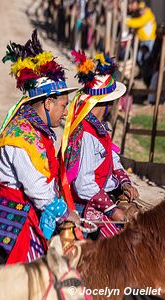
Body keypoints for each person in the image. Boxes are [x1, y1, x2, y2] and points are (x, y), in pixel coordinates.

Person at [0, 30, 79, 269]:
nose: (65, 113)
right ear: (48, 103)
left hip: (30, 210)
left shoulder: (35, 131)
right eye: (63, 106)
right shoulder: (20, 138)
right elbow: (38, 191)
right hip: (15, 220)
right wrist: (66, 214)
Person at [60, 51, 139, 238]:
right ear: (104, 104)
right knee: (122, 243)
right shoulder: (86, 134)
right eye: (111, 103)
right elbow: (84, 184)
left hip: (100, 198)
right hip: (84, 206)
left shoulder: (99, 129)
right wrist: (113, 210)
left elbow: (112, 158)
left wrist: (125, 184)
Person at [126, 0, 156, 66]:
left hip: (149, 40)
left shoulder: (148, 15)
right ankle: (142, 69)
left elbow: (139, 22)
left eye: (142, 9)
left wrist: (126, 21)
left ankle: (145, 71)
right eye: (140, 9)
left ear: (147, 8)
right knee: (139, 57)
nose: (141, 11)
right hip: (142, 40)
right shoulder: (140, 14)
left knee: (147, 57)